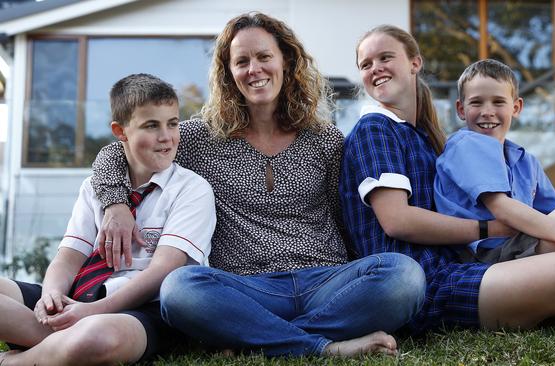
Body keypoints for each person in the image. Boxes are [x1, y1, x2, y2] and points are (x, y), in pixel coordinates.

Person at [90, 13, 425, 357]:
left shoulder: (325, 139)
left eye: (264, 56)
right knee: (179, 288)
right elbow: (117, 150)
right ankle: (324, 347)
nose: (255, 69)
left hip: (325, 281)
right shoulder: (198, 137)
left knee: (405, 276)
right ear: (228, 73)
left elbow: (343, 220)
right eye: (242, 61)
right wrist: (115, 204)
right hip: (243, 287)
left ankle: (256, 338)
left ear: (286, 61)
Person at [340, 24, 555, 334]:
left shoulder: (427, 137)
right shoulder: (375, 128)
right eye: (366, 64)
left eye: (385, 57)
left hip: (463, 265)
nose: (375, 68)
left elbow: (548, 211)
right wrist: (492, 227)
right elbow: (396, 221)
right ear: (463, 108)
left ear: (415, 63)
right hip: (422, 283)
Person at [0, 73, 216, 365]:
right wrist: (51, 295)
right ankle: (59, 343)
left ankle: (15, 360)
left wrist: (92, 312)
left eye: (173, 123)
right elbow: (68, 257)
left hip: (142, 309)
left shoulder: (192, 189)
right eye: (151, 125)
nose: (166, 137)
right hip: (78, 296)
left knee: (96, 338)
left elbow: (164, 269)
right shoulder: (95, 187)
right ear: (121, 131)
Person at [435, 59, 555, 269]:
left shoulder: (525, 161)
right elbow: (501, 208)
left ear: (516, 107)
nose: (487, 111)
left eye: (498, 102)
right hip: (489, 257)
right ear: (461, 109)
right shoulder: (465, 145)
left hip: (521, 247)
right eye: (476, 102)